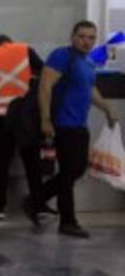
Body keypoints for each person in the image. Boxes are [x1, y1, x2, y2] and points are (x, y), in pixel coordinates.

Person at [36, 20, 119, 238]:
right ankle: (68, 220)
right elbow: (45, 87)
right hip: (63, 124)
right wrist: (45, 119)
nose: (86, 41)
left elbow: (90, 89)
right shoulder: (62, 56)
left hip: (79, 125)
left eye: (91, 37)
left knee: (76, 170)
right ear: (73, 37)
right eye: (82, 36)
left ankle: (36, 200)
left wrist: (107, 109)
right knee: (69, 171)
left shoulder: (88, 62)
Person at [0, 34, 45, 220]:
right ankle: (39, 204)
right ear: (10, 43)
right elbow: (43, 74)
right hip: (27, 116)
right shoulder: (25, 50)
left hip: (1, 117)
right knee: (32, 162)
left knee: (0, 163)